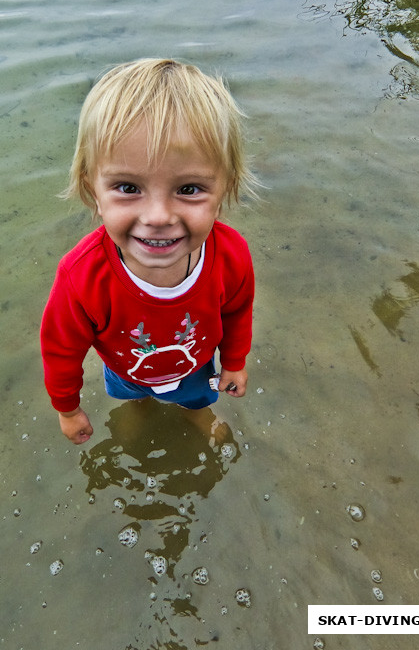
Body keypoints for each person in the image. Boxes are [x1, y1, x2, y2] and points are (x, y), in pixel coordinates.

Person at [40, 58, 257, 444]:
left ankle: (196, 412)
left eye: (189, 189)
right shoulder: (81, 278)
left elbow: (237, 311)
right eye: (127, 187)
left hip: (195, 367)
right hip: (125, 372)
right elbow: (61, 350)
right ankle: (138, 410)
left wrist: (235, 362)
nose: (158, 217)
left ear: (226, 187)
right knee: (131, 398)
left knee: (195, 400)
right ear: (93, 188)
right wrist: (68, 409)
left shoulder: (231, 256)